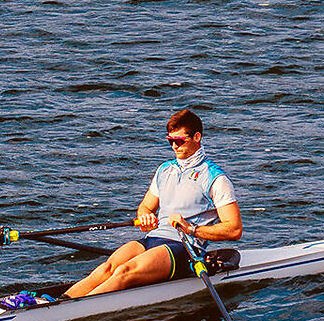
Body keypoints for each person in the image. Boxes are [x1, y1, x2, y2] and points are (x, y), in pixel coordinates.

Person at [65, 109, 244, 299]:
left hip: (185, 248)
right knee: (106, 269)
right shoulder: (164, 170)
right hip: (154, 238)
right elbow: (145, 207)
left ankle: (73, 308)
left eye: (180, 141)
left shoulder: (215, 178)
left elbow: (234, 229)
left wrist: (191, 228)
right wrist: (146, 216)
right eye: (170, 141)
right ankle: (60, 301)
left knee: (125, 271)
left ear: (197, 137)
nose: (174, 146)